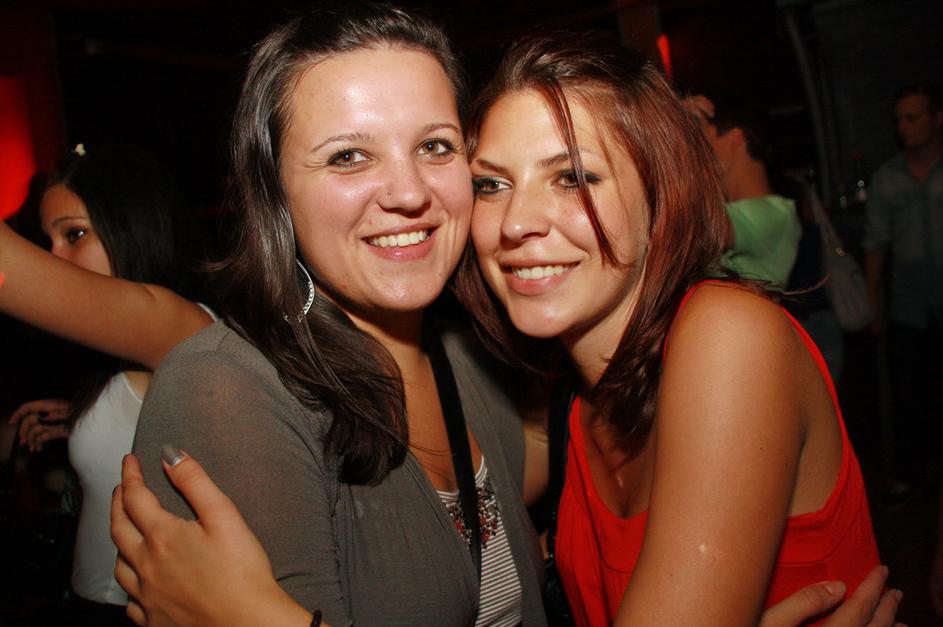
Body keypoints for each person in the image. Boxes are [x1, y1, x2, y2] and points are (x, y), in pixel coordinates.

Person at [106, 6, 900, 627]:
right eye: (348, 155)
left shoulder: (678, 346)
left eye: (436, 148)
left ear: (663, 192)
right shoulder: (229, 391)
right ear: (272, 191)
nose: (517, 220)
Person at [457, 35, 880, 626]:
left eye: (573, 176)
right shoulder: (573, 401)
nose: (516, 222)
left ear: (661, 195)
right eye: (491, 185)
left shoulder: (727, 334)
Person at [0, 144, 214, 625]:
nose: (54, 258)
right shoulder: (116, 362)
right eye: (48, 241)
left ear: (132, 228)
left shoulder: (179, 325)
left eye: (74, 234)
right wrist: (85, 429)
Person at [862, 84, 943, 493]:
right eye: (899, 120)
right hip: (909, 306)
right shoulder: (887, 179)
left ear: (937, 119)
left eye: (913, 118)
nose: (903, 127)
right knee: (911, 394)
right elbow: (875, 246)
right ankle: (910, 476)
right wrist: (873, 305)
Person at [686, 94, 801, 287]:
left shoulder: (777, 214)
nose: (695, 150)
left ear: (735, 139)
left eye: (703, 138)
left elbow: (694, 229)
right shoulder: (728, 211)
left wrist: (669, 121)